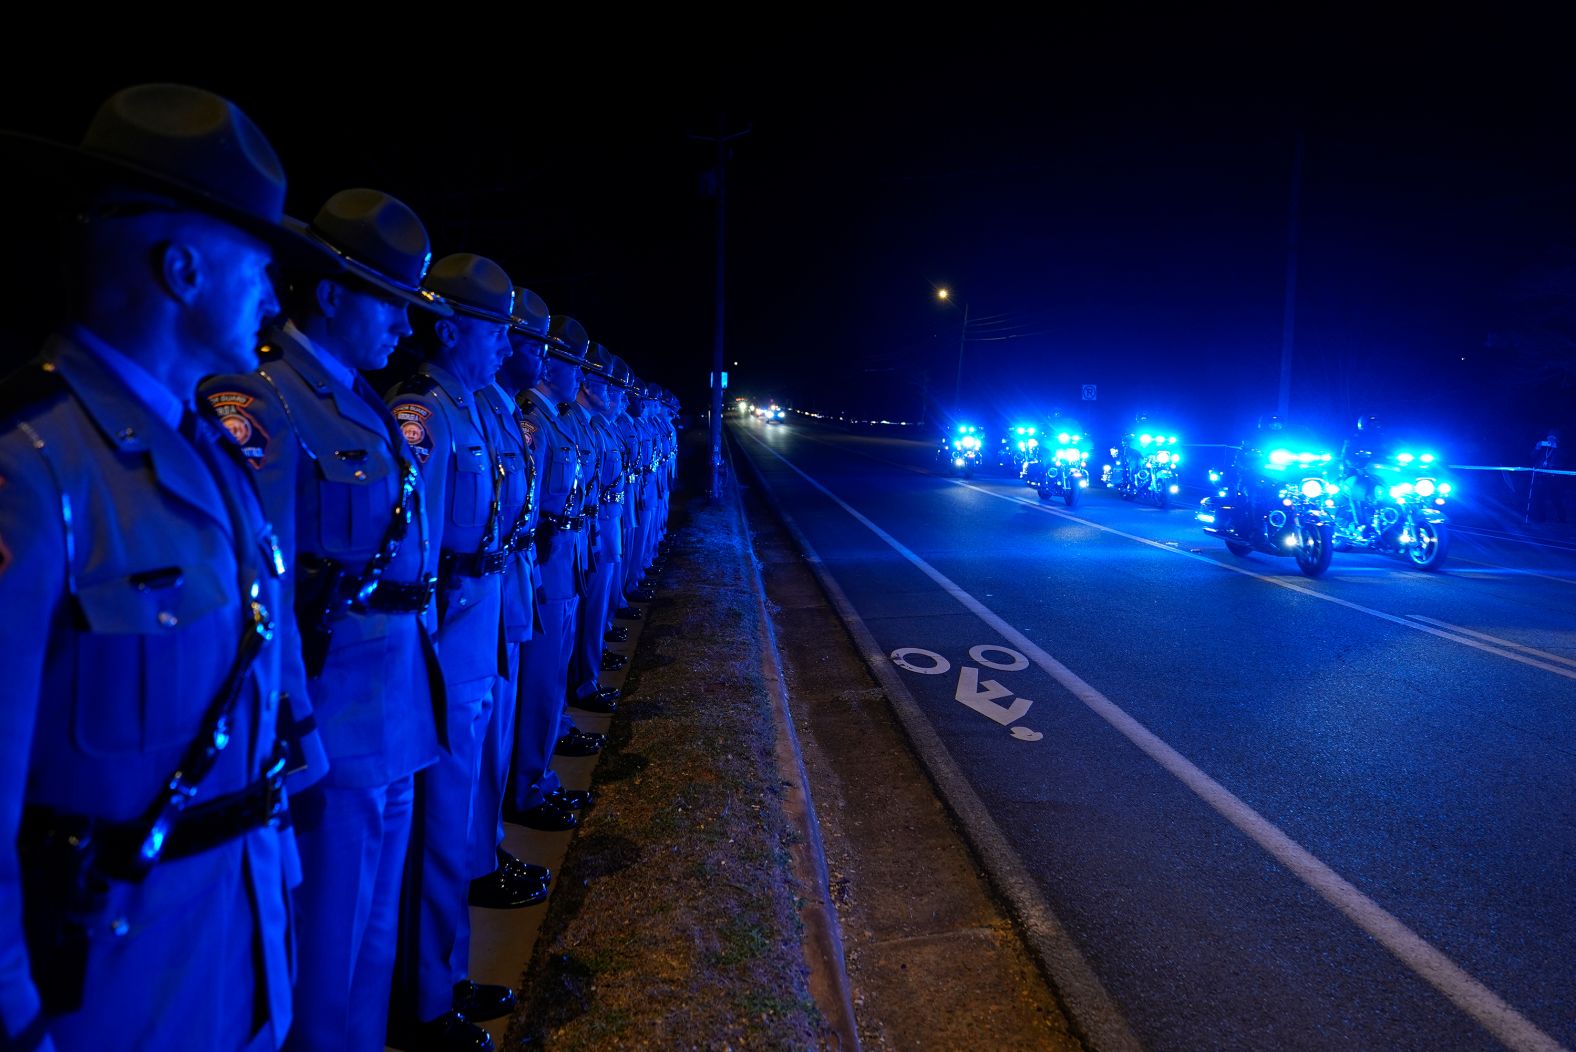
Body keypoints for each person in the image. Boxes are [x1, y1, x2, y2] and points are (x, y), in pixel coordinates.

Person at [0, 83, 320, 1051]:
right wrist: (12, 1013)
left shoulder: (207, 450)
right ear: (182, 267)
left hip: (234, 928)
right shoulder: (30, 466)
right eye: (259, 264)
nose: (273, 296)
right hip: (110, 983)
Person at [199, 188, 449, 1052]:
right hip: (332, 716)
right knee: (325, 946)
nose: (404, 328)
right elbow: (265, 591)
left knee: (373, 940)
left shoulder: (364, 397)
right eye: (390, 301)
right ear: (334, 294)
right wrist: (290, 732)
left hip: (393, 700)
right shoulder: (268, 401)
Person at [385, 254, 517, 1050]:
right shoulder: (424, 415)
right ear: (450, 328)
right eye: (492, 329)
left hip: (474, 640)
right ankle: (429, 998)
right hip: (444, 651)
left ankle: (447, 977)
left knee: (459, 819)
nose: (505, 345)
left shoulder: (472, 408)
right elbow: (418, 559)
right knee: (438, 833)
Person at [507, 312, 601, 833]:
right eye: (571, 363)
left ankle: (535, 774)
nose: (575, 373)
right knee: (539, 677)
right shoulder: (533, 419)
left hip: (562, 556)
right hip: (543, 564)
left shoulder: (556, 418)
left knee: (550, 672)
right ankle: (529, 784)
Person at [1530, 428, 1567, 524]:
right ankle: (1541, 518)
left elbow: (1562, 460)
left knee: (1556, 498)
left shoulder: (1560, 449)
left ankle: (1562, 518)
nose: (1550, 440)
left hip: (1554, 477)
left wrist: (1557, 448)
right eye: (1549, 438)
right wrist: (1536, 448)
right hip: (1542, 477)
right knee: (1540, 497)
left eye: (1553, 438)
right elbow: (1532, 457)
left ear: (1557, 439)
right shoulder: (1543, 449)